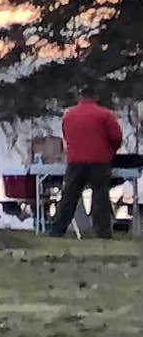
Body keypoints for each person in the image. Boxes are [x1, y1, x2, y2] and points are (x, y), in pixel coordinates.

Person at [58, 90, 124, 237]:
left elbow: (66, 135)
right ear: (96, 97)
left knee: (69, 196)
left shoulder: (69, 115)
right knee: (100, 196)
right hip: (100, 161)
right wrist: (110, 151)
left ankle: (57, 230)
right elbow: (116, 137)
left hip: (76, 161)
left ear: (80, 97)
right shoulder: (105, 114)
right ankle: (102, 232)